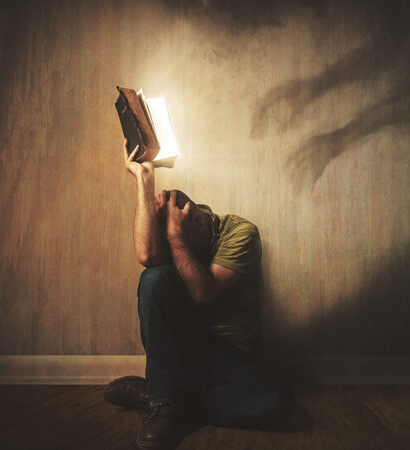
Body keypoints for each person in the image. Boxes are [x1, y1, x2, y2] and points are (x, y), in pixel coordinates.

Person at [104, 140, 294, 450]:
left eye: (173, 234)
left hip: (231, 357)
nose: (168, 245)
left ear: (197, 218)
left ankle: (160, 398)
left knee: (276, 403)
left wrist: (176, 234)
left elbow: (204, 292)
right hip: (184, 352)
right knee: (154, 276)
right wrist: (144, 179)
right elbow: (145, 255)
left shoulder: (240, 232)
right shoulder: (177, 244)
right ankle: (164, 401)